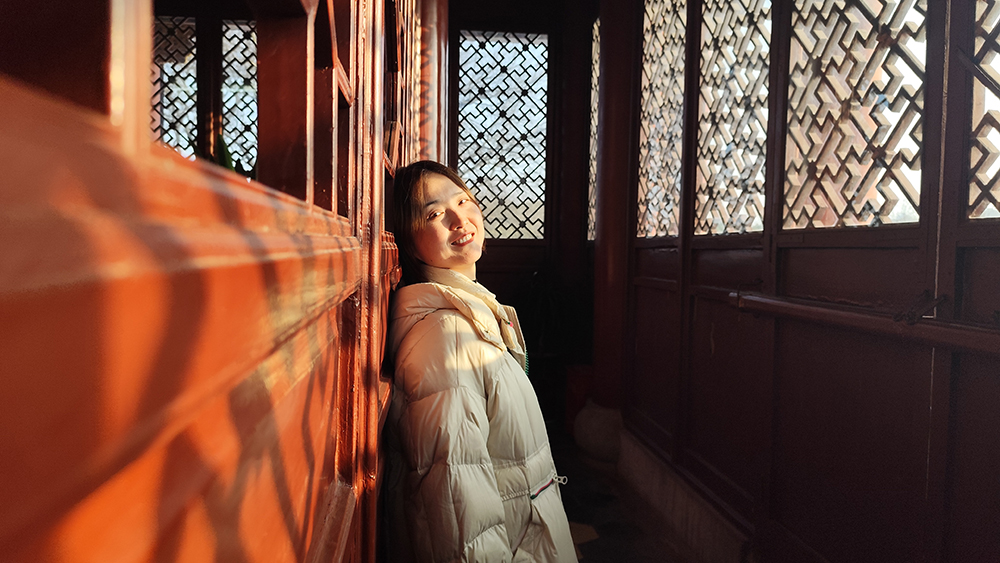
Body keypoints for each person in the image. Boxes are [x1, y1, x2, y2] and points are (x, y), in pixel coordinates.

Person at [383, 160, 577, 562]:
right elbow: (461, 517)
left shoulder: (471, 314)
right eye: (434, 214)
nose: (460, 219)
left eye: (462, 201)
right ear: (409, 241)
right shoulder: (448, 339)